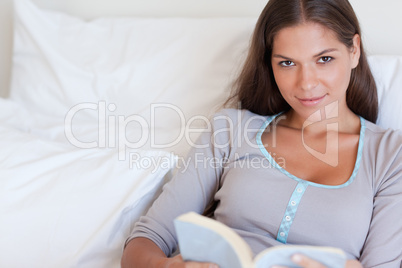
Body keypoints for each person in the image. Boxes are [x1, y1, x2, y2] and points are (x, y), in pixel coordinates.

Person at [121, 0, 402, 267]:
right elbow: (145, 242)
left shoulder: (390, 157)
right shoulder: (230, 131)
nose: (306, 84)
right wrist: (164, 265)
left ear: (354, 50)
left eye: (324, 59)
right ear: (270, 63)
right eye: (287, 63)